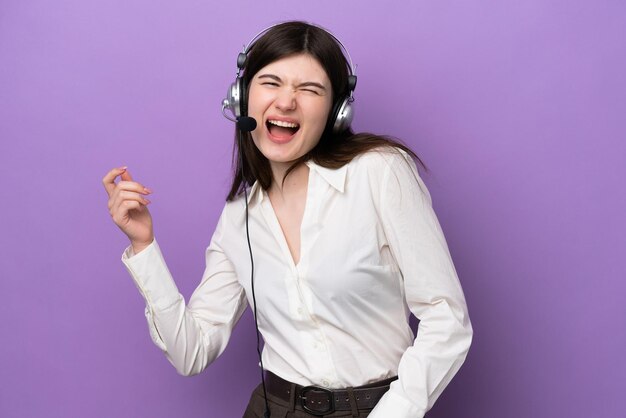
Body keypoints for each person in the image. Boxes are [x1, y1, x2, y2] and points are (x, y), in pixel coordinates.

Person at [102, 20, 473, 418]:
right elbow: (191, 352)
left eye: (309, 90)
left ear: (337, 111)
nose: (286, 101)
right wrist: (143, 246)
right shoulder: (239, 217)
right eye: (271, 82)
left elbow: (446, 316)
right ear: (242, 97)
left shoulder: (380, 172)